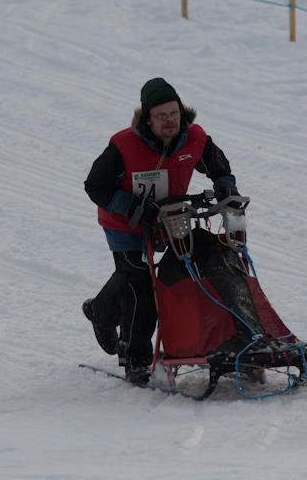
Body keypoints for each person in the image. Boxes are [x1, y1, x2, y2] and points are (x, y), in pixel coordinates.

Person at [83, 78, 239, 383]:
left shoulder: (194, 138)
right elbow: (95, 186)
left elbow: (220, 168)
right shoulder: (123, 146)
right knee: (140, 281)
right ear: (147, 119)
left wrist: (224, 187)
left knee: (191, 266)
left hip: (169, 218)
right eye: (162, 115)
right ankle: (136, 358)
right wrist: (130, 206)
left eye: (174, 113)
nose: (170, 121)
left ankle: (101, 311)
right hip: (124, 223)